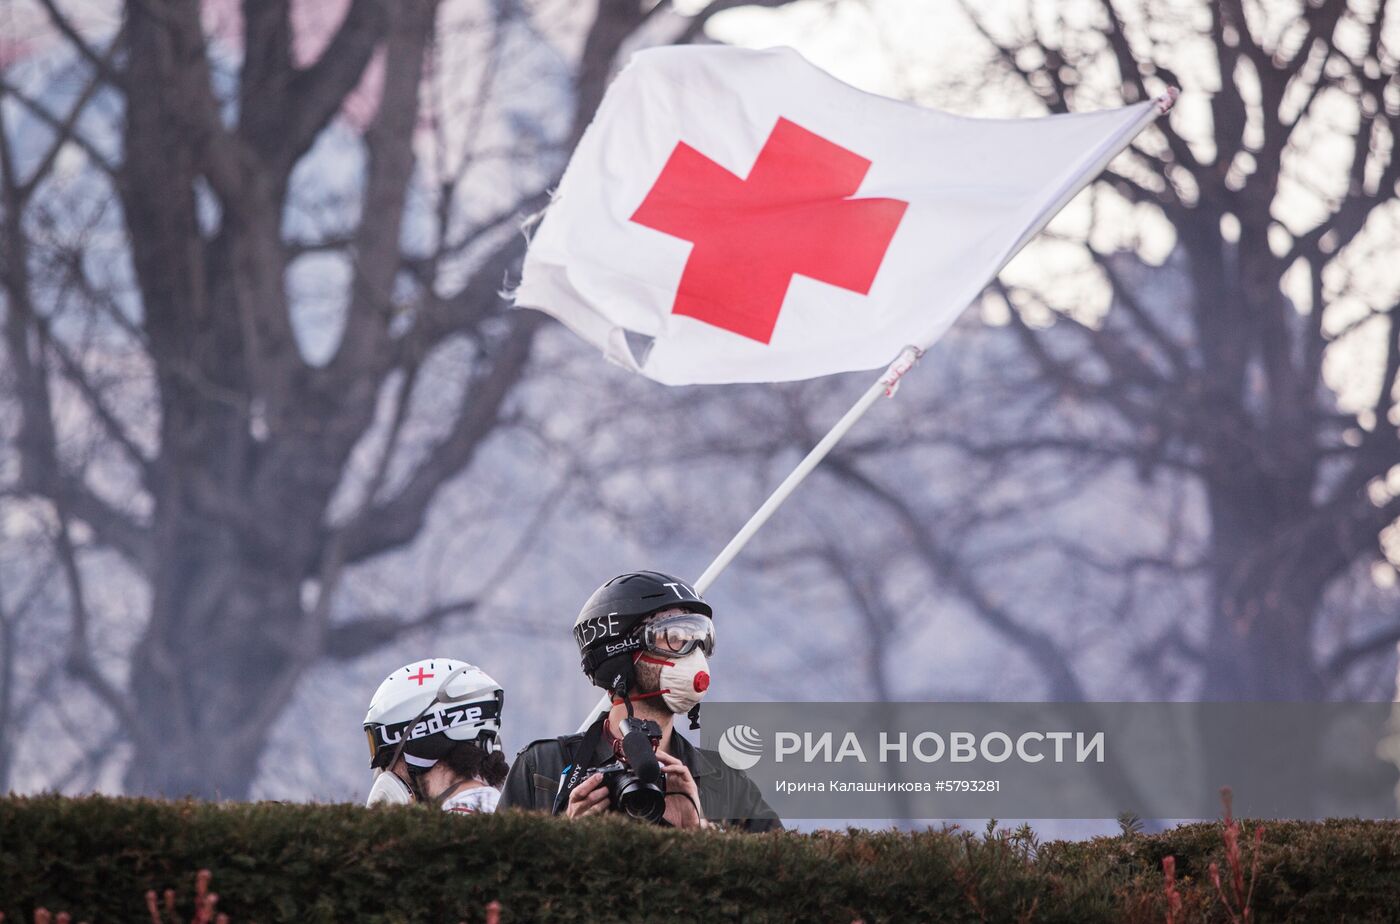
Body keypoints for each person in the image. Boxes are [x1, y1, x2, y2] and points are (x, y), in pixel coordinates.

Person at [498, 571, 781, 831]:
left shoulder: (726, 782)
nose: (694, 654)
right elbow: (496, 877)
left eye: (700, 637)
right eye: (675, 637)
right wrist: (566, 837)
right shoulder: (542, 768)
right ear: (620, 656)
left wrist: (698, 836)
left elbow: (782, 881)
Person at [362, 658, 509, 813]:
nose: (385, 770)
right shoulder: (500, 810)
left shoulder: (453, 825)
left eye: (388, 756)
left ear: (422, 741)